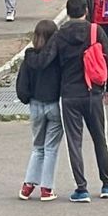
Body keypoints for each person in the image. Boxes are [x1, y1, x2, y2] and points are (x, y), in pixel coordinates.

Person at [22, 0, 108, 203]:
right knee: (100, 138)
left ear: (67, 12)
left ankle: (81, 188)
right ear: (86, 10)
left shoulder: (60, 35)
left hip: (69, 95)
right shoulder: (96, 30)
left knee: (74, 142)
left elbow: (44, 60)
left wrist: (29, 54)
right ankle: (107, 184)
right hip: (92, 92)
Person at [16, 19, 63, 202]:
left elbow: (22, 84)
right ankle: (46, 189)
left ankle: (27, 186)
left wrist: (26, 98)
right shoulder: (57, 58)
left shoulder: (29, 56)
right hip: (54, 104)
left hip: (35, 104)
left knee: (38, 147)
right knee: (51, 148)